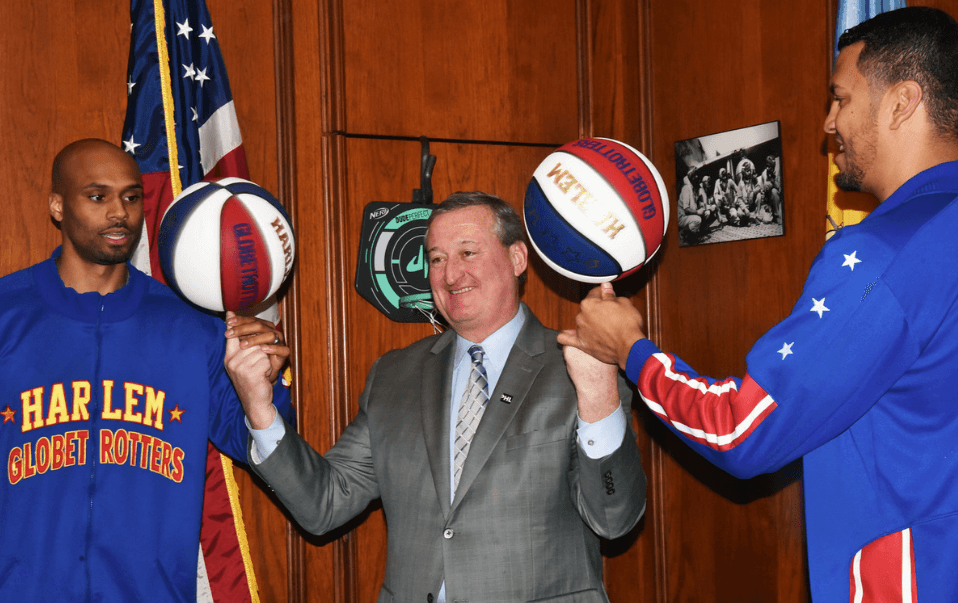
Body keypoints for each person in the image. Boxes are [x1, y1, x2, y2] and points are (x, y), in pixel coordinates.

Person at [559, 7, 958, 602]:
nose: (828, 121)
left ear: (902, 102)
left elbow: (740, 432)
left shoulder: (883, 254)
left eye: (841, 98)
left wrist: (631, 350)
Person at [226, 192, 647, 603]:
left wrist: (597, 395)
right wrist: (260, 408)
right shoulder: (394, 376)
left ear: (517, 259)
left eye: (468, 253)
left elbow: (614, 519)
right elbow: (324, 504)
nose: (450, 275)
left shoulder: (582, 367)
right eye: (437, 258)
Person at [0, 139, 291, 602]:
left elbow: (265, 452)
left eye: (131, 197)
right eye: (97, 196)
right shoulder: (7, 315)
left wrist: (266, 386)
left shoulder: (193, 328)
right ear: (57, 206)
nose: (119, 212)